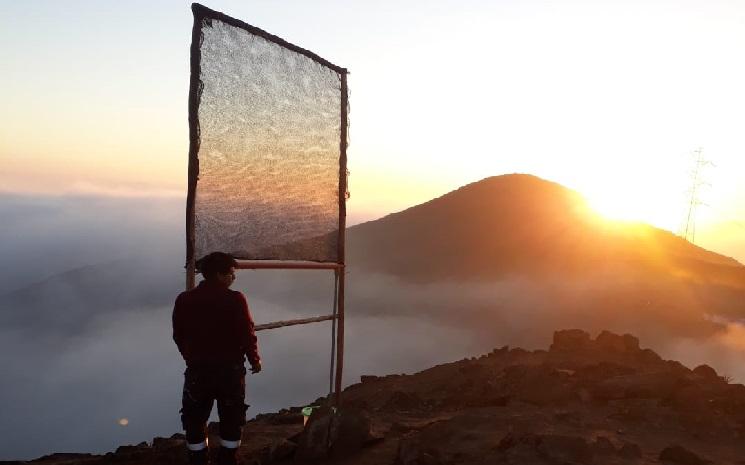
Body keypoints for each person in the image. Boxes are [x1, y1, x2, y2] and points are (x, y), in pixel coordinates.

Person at [173, 252, 261, 465]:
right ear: (219, 275)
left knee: (195, 419)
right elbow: (246, 333)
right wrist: (254, 359)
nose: (233, 277)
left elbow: (178, 334)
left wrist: (190, 357)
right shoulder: (235, 299)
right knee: (231, 417)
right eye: (231, 273)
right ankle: (228, 459)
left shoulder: (184, 299)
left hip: (197, 371)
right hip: (229, 371)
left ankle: (198, 458)